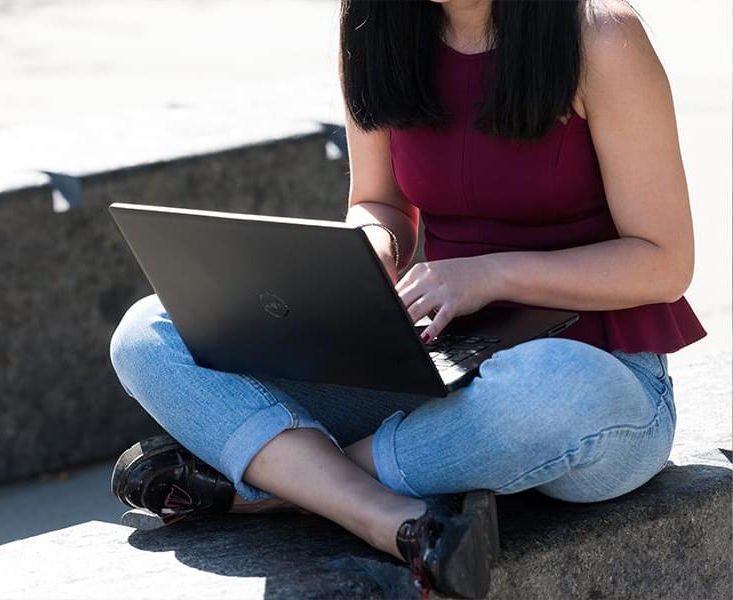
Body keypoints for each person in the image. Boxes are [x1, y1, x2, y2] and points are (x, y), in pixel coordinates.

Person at [108, 0, 706, 597]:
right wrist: (369, 249)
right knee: (148, 333)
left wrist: (489, 275)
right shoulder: (375, 22)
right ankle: (384, 518)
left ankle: (269, 488)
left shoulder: (600, 36)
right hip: (431, 358)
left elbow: (663, 261)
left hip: (598, 381)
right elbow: (379, 203)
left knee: (550, 385)